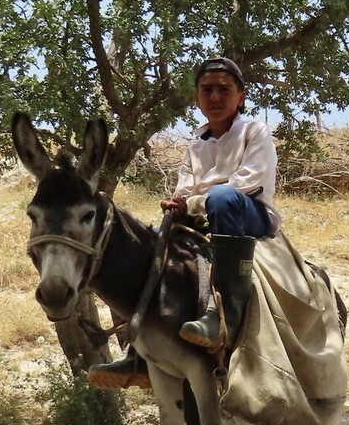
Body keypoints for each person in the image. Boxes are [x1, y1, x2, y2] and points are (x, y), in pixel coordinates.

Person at [88, 57, 279, 388]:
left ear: (241, 97)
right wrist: (178, 203)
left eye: (224, 90)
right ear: (197, 98)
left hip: (247, 213)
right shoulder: (195, 145)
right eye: (207, 90)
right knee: (139, 248)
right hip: (202, 215)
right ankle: (138, 347)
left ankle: (223, 315)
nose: (215, 97)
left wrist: (193, 201)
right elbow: (185, 188)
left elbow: (249, 182)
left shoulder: (254, 131)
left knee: (222, 198)